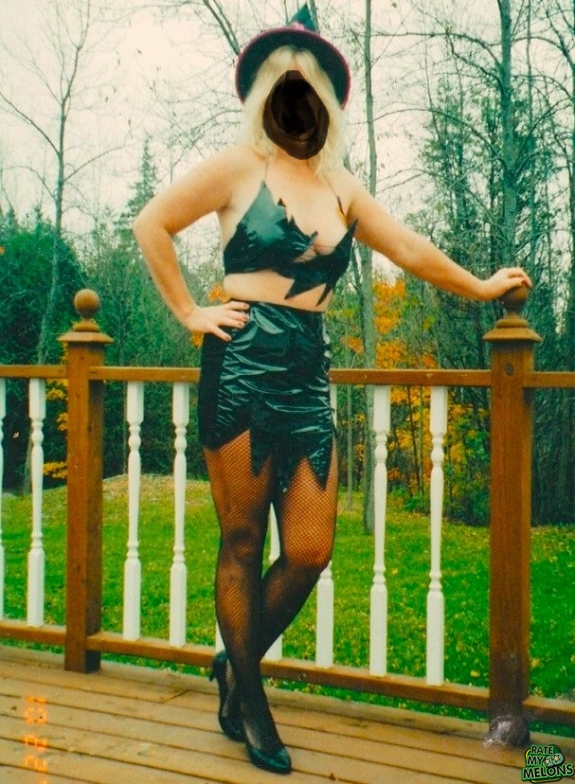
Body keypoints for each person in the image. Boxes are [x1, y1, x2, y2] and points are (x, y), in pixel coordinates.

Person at [133, 5, 531, 775]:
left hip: (306, 373)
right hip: (240, 364)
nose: (296, 89)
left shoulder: (339, 184)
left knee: (310, 549)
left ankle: (232, 662)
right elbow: (152, 224)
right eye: (284, 76)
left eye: (308, 77)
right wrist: (188, 312)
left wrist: (481, 286)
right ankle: (249, 702)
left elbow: (407, 246)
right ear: (263, 93)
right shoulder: (236, 166)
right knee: (241, 542)